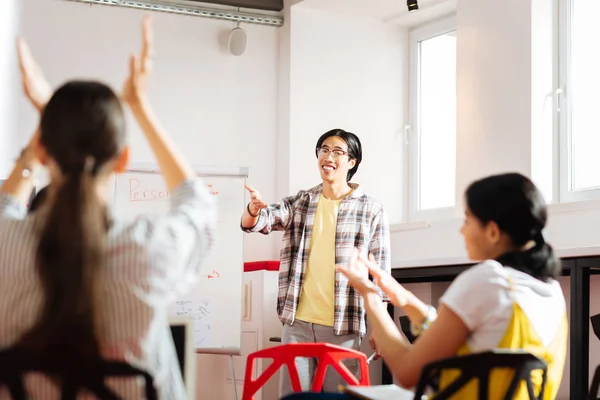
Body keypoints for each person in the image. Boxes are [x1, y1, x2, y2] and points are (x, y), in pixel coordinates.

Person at [0, 16, 216, 399]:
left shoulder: (6, 246)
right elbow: (196, 203)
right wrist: (139, 105)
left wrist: (42, 133)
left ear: (44, 151)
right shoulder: (149, 250)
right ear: (122, 159)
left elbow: (5, 208)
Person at [338, 173, 567, 399]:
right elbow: (450, 334)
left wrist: (370, 297)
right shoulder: (551, 290)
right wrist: (403, 297)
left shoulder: (487, 279)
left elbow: (407, 372)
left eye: (467, 221)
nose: (462, 230)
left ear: (493, 232)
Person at [241, 129, 391, 395]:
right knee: (293, 398)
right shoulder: (301, 202)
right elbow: (261, 222)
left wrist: (379, 325)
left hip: (343, 325)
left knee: (340, 398)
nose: (328, 156)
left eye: (337, 151)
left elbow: (379, 275)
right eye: (323, 150)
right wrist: (253, 211)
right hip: (296, 323)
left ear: (352, 161)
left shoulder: (371, 209)